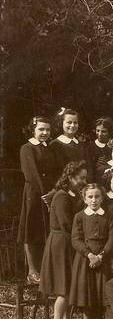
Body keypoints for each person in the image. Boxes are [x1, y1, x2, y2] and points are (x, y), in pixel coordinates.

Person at [40, 161, 87, 319]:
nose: (83, 181)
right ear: (70, 177)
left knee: (69, 286)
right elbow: (66, 224)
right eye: (81, 178)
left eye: (85, 178)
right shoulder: (61, 196)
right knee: (63, 288)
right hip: (61, 244)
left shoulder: (73, 195)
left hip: (69, 243)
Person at [70, 183, 113, 319]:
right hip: (84, 261)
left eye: (97, 196)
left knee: (100, 294)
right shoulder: (79, 216)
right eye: (90, 197)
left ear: (102, 198)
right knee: (87, 295)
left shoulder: (109, 216)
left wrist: (101, 256)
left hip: (103, 261)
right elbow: (75, 239)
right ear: (84, 199)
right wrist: (90, 255)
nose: (94, 200)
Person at [19, 116, 56, 283]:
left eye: (47, 129)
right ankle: (32, 271)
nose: (45, 132)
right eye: (41, 129)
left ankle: (46, 270)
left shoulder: (49, 148)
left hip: (49, 194)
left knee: (46, 230)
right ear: (33, 130)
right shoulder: (27, 148)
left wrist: (53, 192)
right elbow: (31, 173)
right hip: (34, 194)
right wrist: (44, 194)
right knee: (31, 230)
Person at [50, 108, 90, 180]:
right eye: (69, 122)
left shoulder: (81, 145)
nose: (72, 125)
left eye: (75, 123)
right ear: (61, 123)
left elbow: (89, 167)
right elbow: (56, 171)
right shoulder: (55, 145)